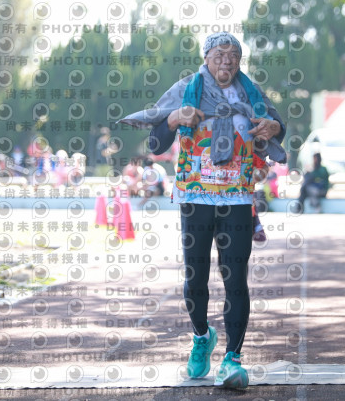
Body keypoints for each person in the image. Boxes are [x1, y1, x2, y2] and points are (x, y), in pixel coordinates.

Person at [118, 32, 286, 389]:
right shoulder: (185, 89)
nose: (227, 59)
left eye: (234, 54)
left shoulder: (251, 93)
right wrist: (175, 118)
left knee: (235, 278)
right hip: (196, 198)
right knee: (195, 278)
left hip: (237, 198)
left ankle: (233, 359)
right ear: (206, 57)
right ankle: (201, 336)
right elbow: (156, 143)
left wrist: (274, 126)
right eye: (219, 53)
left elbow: (276, 127)